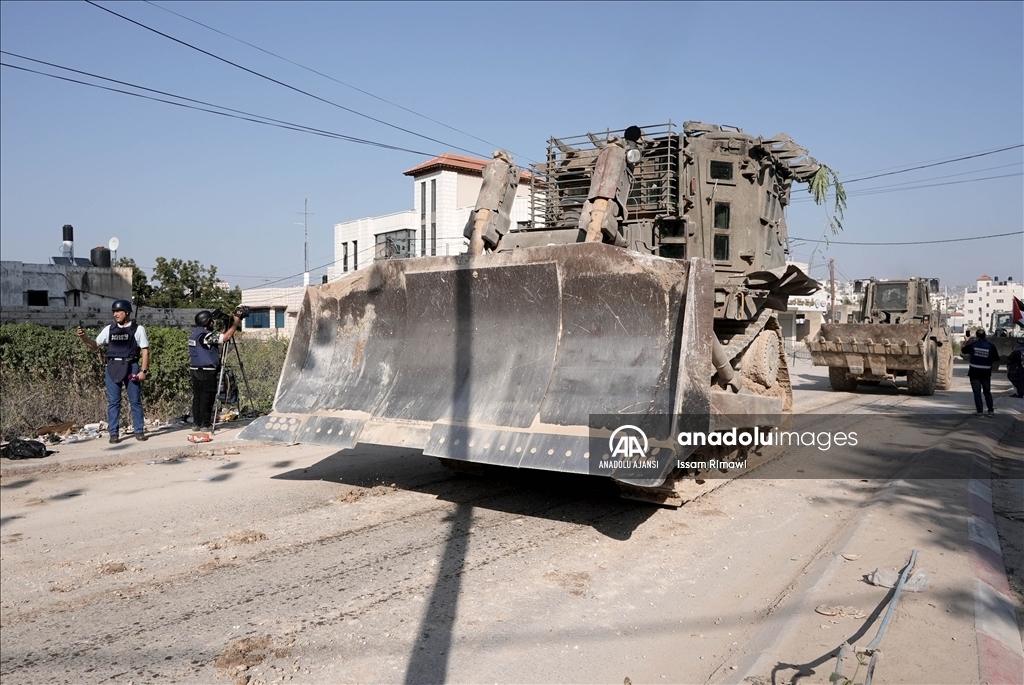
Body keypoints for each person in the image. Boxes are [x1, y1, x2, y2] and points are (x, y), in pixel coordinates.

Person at [77, 299, 150, 443]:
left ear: (127, 312)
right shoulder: (109, 329)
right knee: (113, 402)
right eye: (114, 312)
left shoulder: (138, 329)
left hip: (131, 367)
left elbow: (145, 351)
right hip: (112, 367)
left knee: (135, 401)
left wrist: (143, 371)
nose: (115, 314)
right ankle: (114, 433)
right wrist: (83, 337)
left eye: (118, 311)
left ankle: (139, 431)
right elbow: (94, 345)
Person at [188, 309, 241, 432]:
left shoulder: (195, 334)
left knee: (198, 397)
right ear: (206, 322)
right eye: (211, 321)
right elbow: (226, 337)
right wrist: (235, 323)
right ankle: (205, 424)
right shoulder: (205, 336)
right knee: (208, 397)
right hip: (206, 371)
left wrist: (225, 329)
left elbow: (216, 338)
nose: (213, 323)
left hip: (195, 369)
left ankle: (197, 423)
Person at [962, 328, 999, 415]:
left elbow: (963, 350)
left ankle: (979, 412)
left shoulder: (973, 345)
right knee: (987, 392)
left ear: (977, 336)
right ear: (985, 335)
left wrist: (966, 341)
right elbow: (996, 358)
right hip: (986, 372)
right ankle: (990, 411)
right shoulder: (991, 346)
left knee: (977, 393)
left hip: (974, 372)